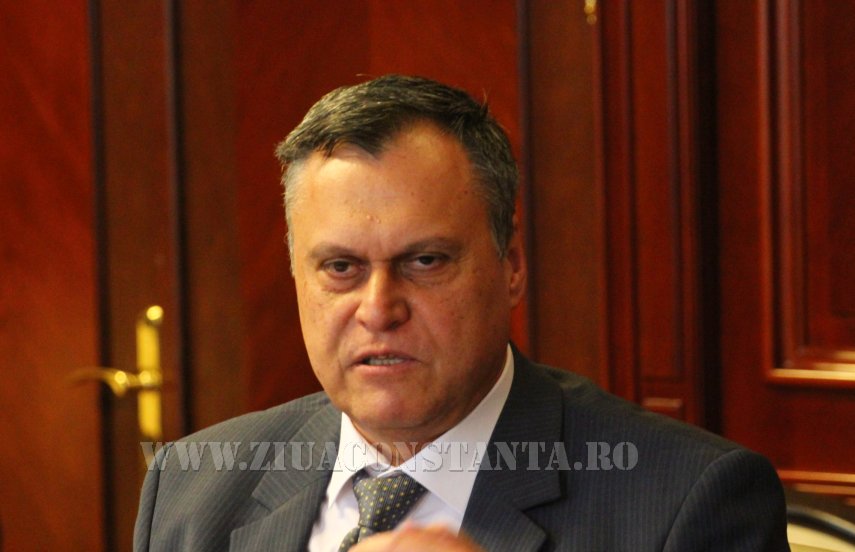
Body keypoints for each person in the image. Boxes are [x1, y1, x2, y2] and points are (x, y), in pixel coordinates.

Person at [134, 75, 790, 551]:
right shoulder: (192, 485)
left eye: (425, 261)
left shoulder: (686, 503)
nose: (378, 309)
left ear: (511, 266)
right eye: (340, 267)